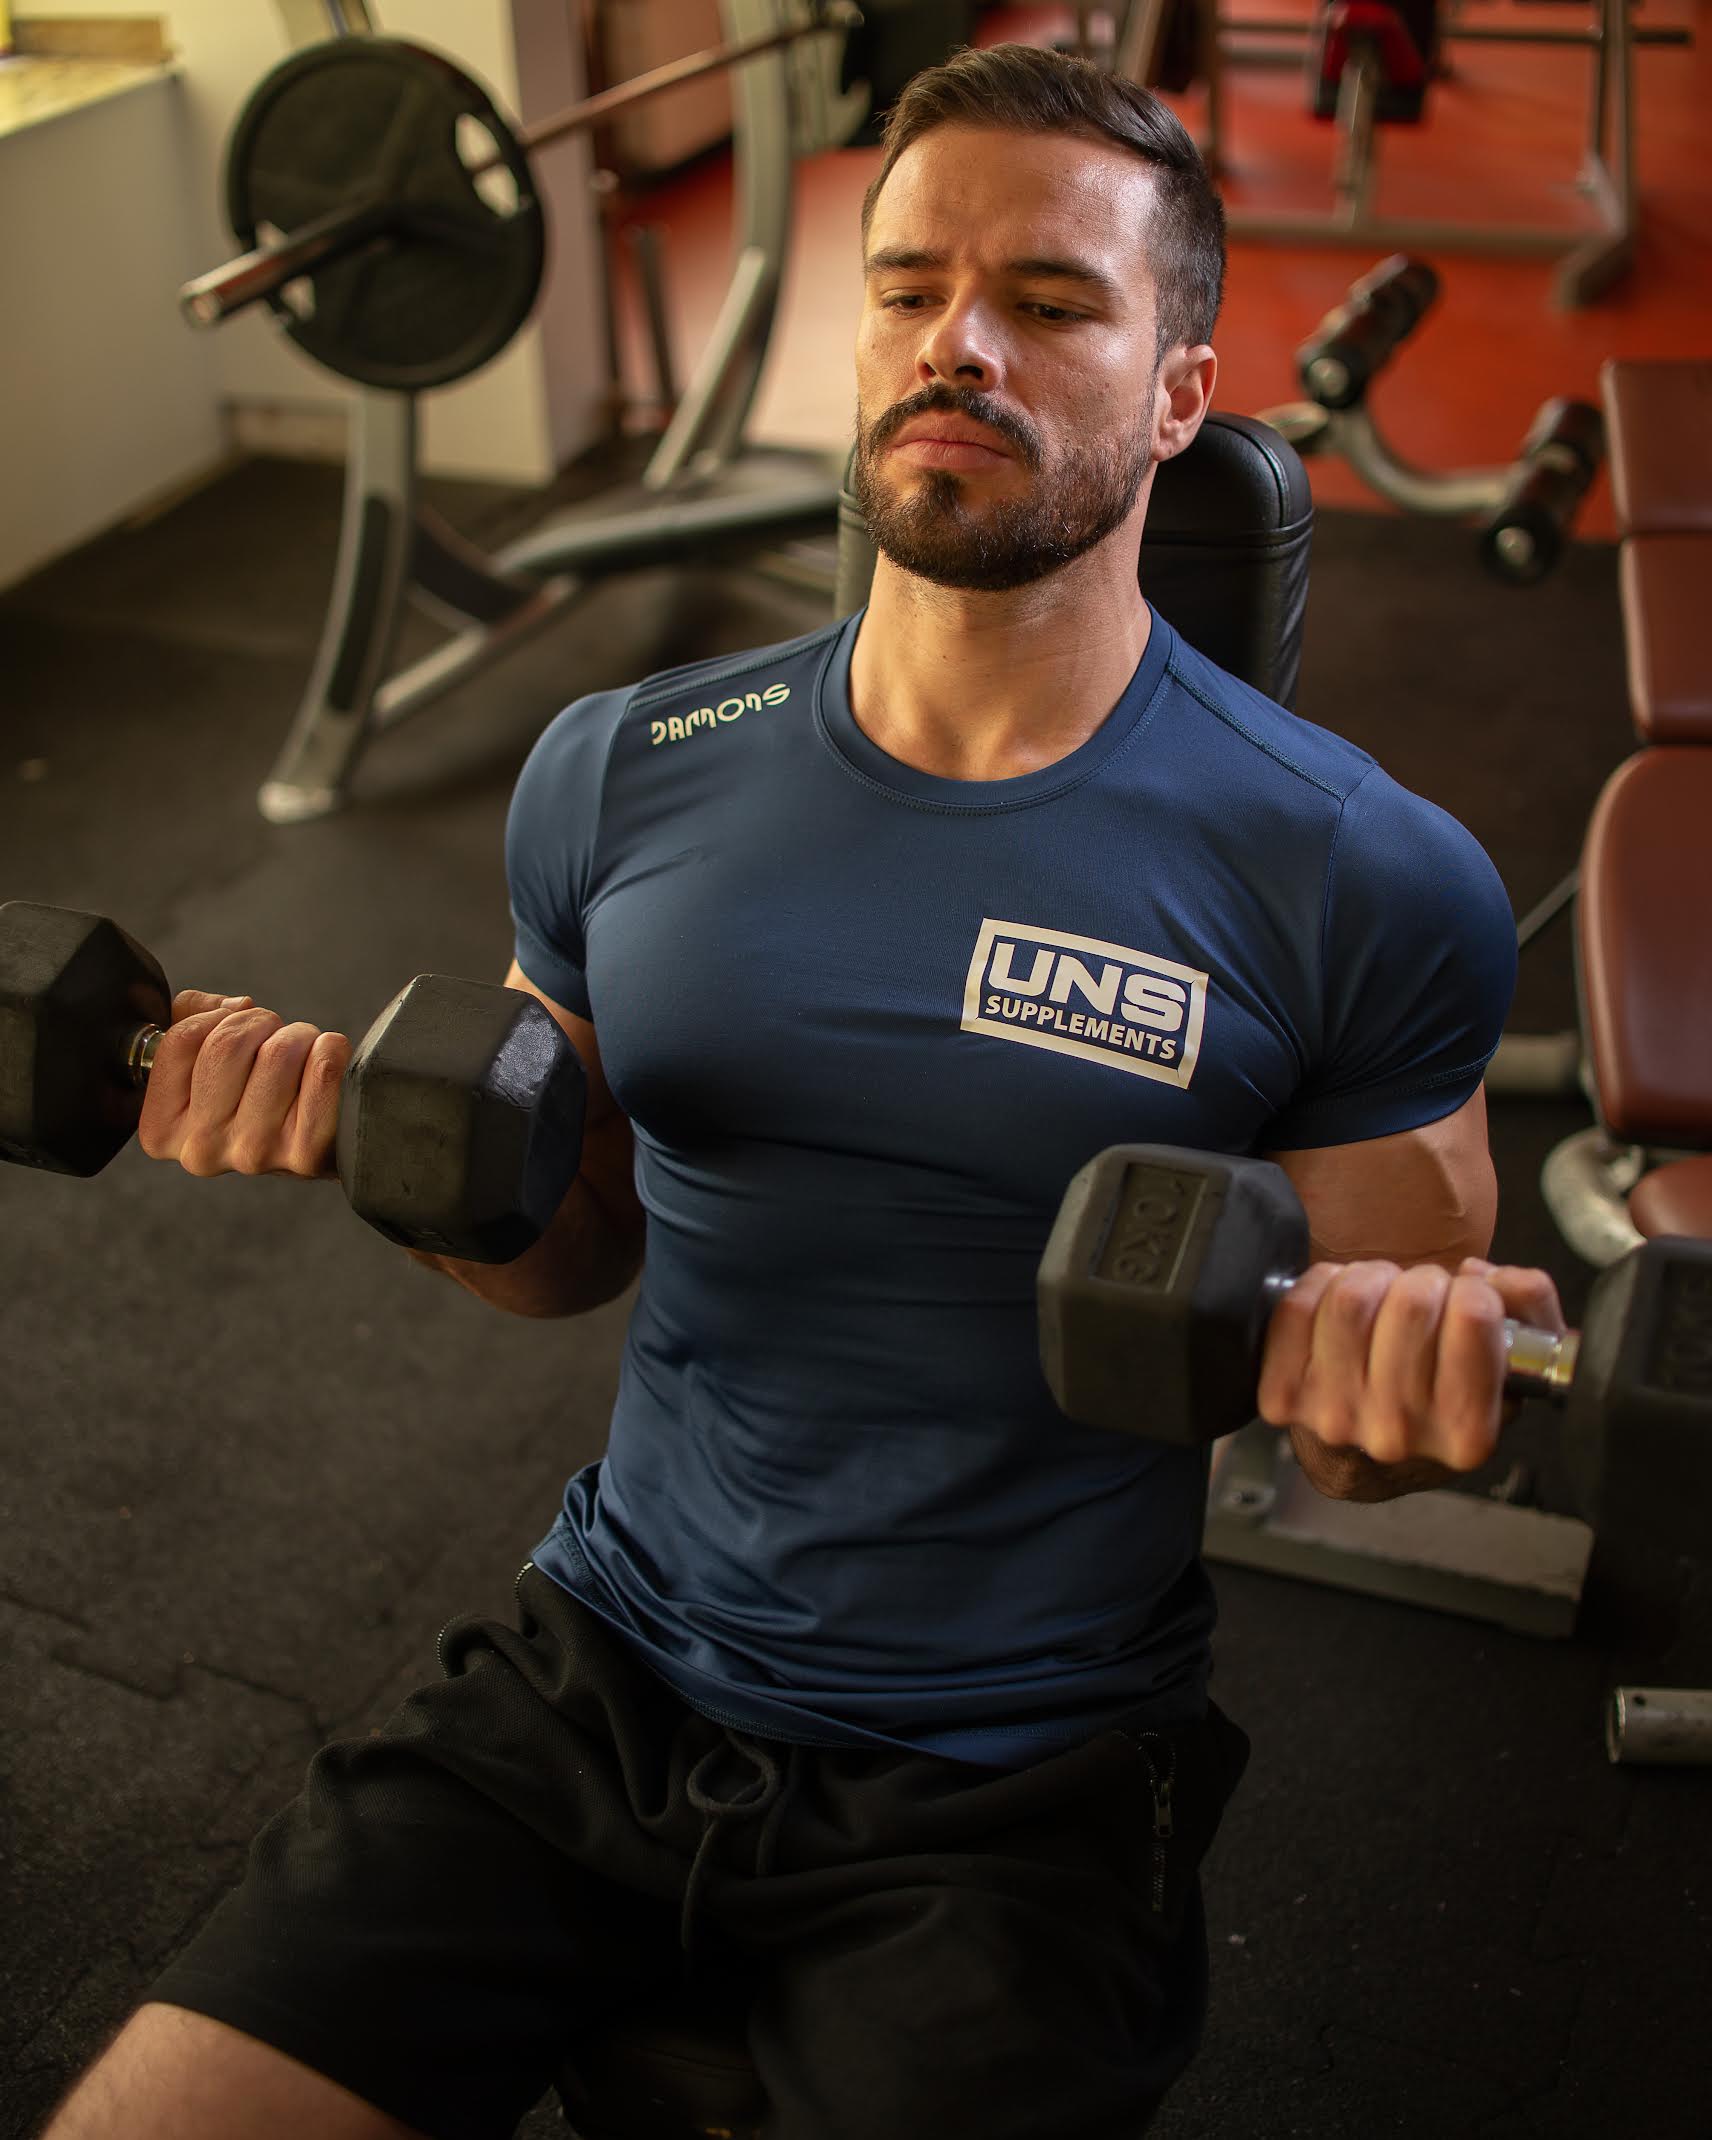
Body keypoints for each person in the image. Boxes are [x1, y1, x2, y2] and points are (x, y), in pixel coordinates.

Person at [44, 42, 1563, 2140]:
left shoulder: (1361, 873)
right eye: (910, 281)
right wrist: (397, 1168)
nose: (958, 339)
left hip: (1013, 1783)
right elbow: (561, 1253)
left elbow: (1384, 1426)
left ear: (1181, 390)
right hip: (595, 1675)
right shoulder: (612, 767)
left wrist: (1422, 1377)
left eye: (1049, 300)